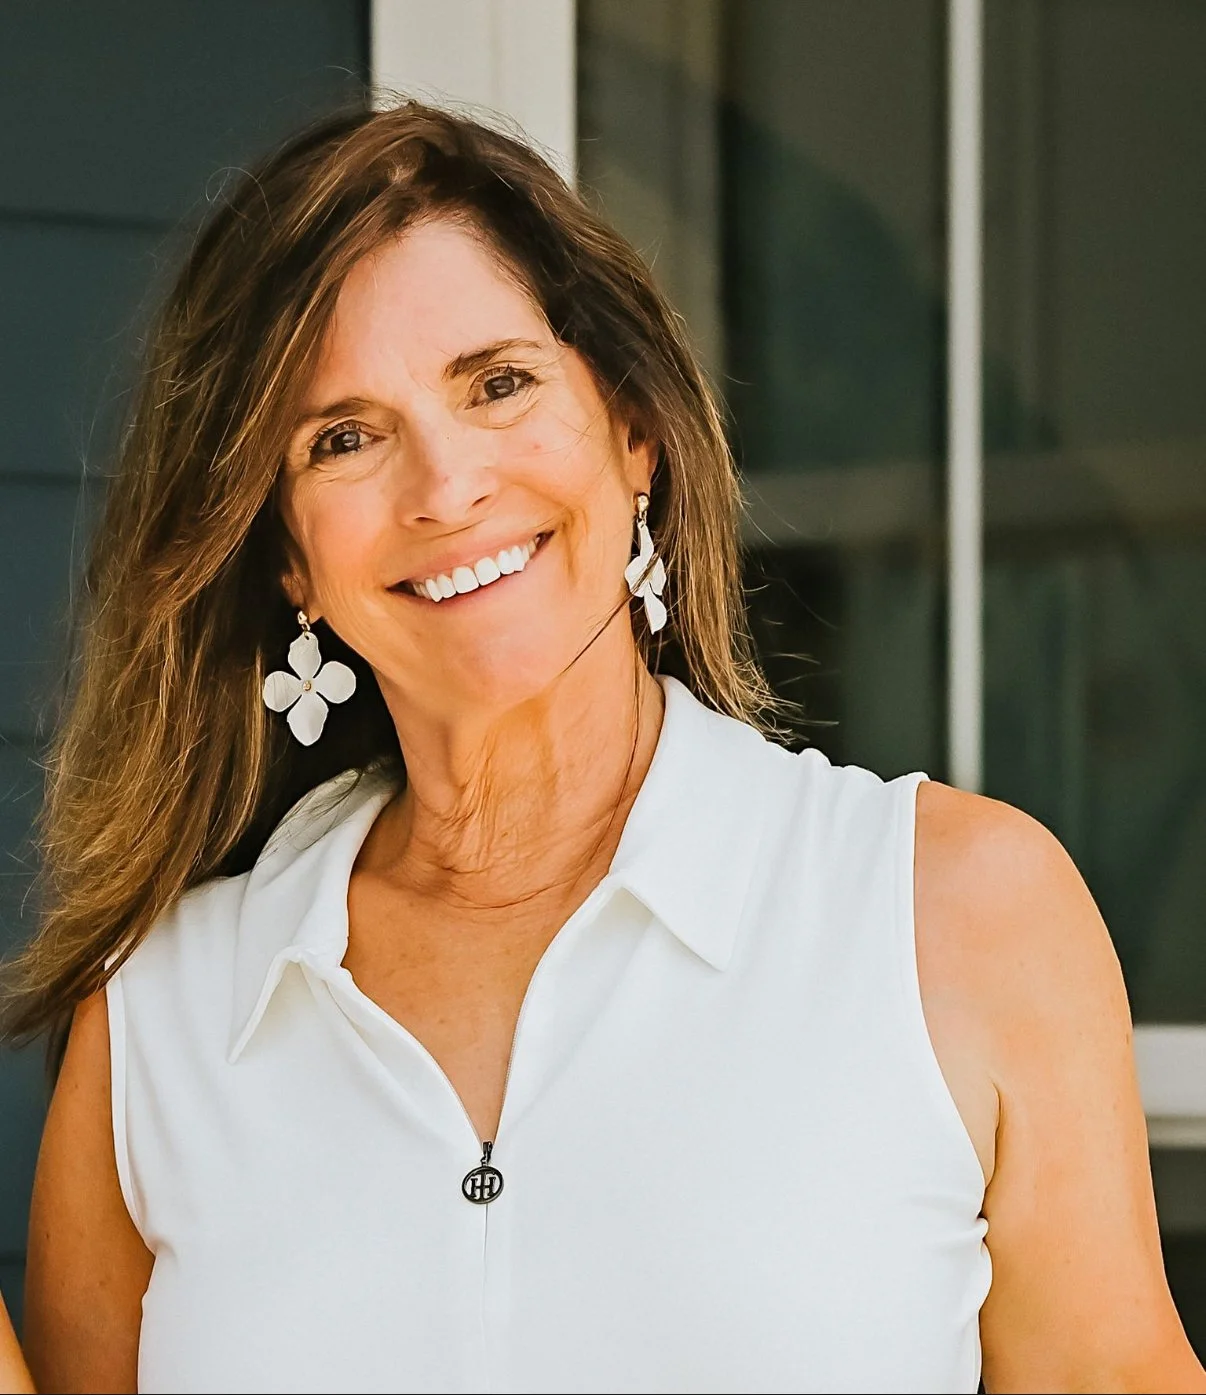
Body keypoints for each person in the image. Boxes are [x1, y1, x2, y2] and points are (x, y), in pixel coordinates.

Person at [2, 101, 1202, 1395]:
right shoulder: (161, 1006)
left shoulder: (956, 910)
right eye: (342, 436)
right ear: (285, 551)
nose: (446, 484)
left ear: (631, 432)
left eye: (498, 382)